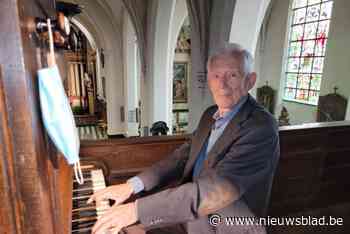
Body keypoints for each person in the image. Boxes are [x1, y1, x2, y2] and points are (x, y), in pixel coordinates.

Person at [88, 43, 280, 234]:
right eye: (216, 76)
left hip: (223, 227)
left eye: (232, 75)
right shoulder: (210, 115)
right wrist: (132, 185)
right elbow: (180, 158)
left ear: (250, 81)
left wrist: (136, 210)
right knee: (123, 228)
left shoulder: (261, 127)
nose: (222, 85)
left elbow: (213, 190)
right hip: (190, 216)